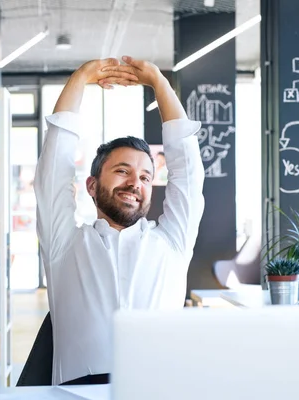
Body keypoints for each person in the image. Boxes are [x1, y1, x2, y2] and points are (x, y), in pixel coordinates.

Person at [33, 56, 205, 386]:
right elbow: (52, 171)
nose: (134, 183)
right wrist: (80, 77)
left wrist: (159, 81)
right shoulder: (65, 244)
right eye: (122, 171)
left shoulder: (171, 242)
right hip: (77, 393)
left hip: (159, 388)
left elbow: (189, 175)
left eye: (144, 176)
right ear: (92, 185)